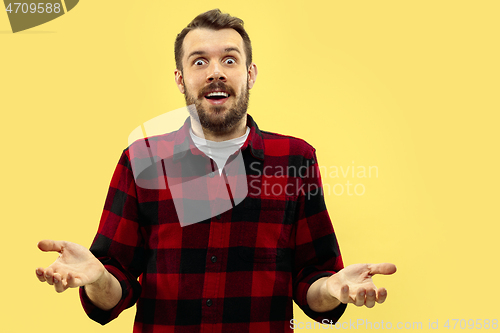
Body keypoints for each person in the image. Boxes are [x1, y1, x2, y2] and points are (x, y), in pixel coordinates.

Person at [35, 9, 396, 333]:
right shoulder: (141, 159)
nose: (216, 73)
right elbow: (114, 290)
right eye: (199, 62)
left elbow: (312, 282)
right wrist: (98, 277)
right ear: (180, 79)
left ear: (250, 74)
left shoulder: (295, 159)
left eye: (229, 59)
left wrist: (332, 288)